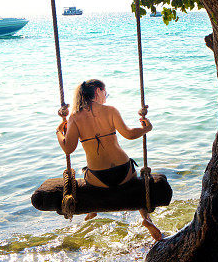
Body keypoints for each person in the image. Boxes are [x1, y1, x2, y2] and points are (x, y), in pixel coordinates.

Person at [56, 79, 163, 241]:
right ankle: (146, 219)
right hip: (124, 171)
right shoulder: (111, 110)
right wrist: (146, 128)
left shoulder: (75, 117)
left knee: (86, 173)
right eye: (105, 92)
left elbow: (68, 148)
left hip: (98, 177)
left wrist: (58, 131)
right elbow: (129, 134)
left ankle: (92, 210)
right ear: (98, 91)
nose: (106, 96)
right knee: (137, 187)